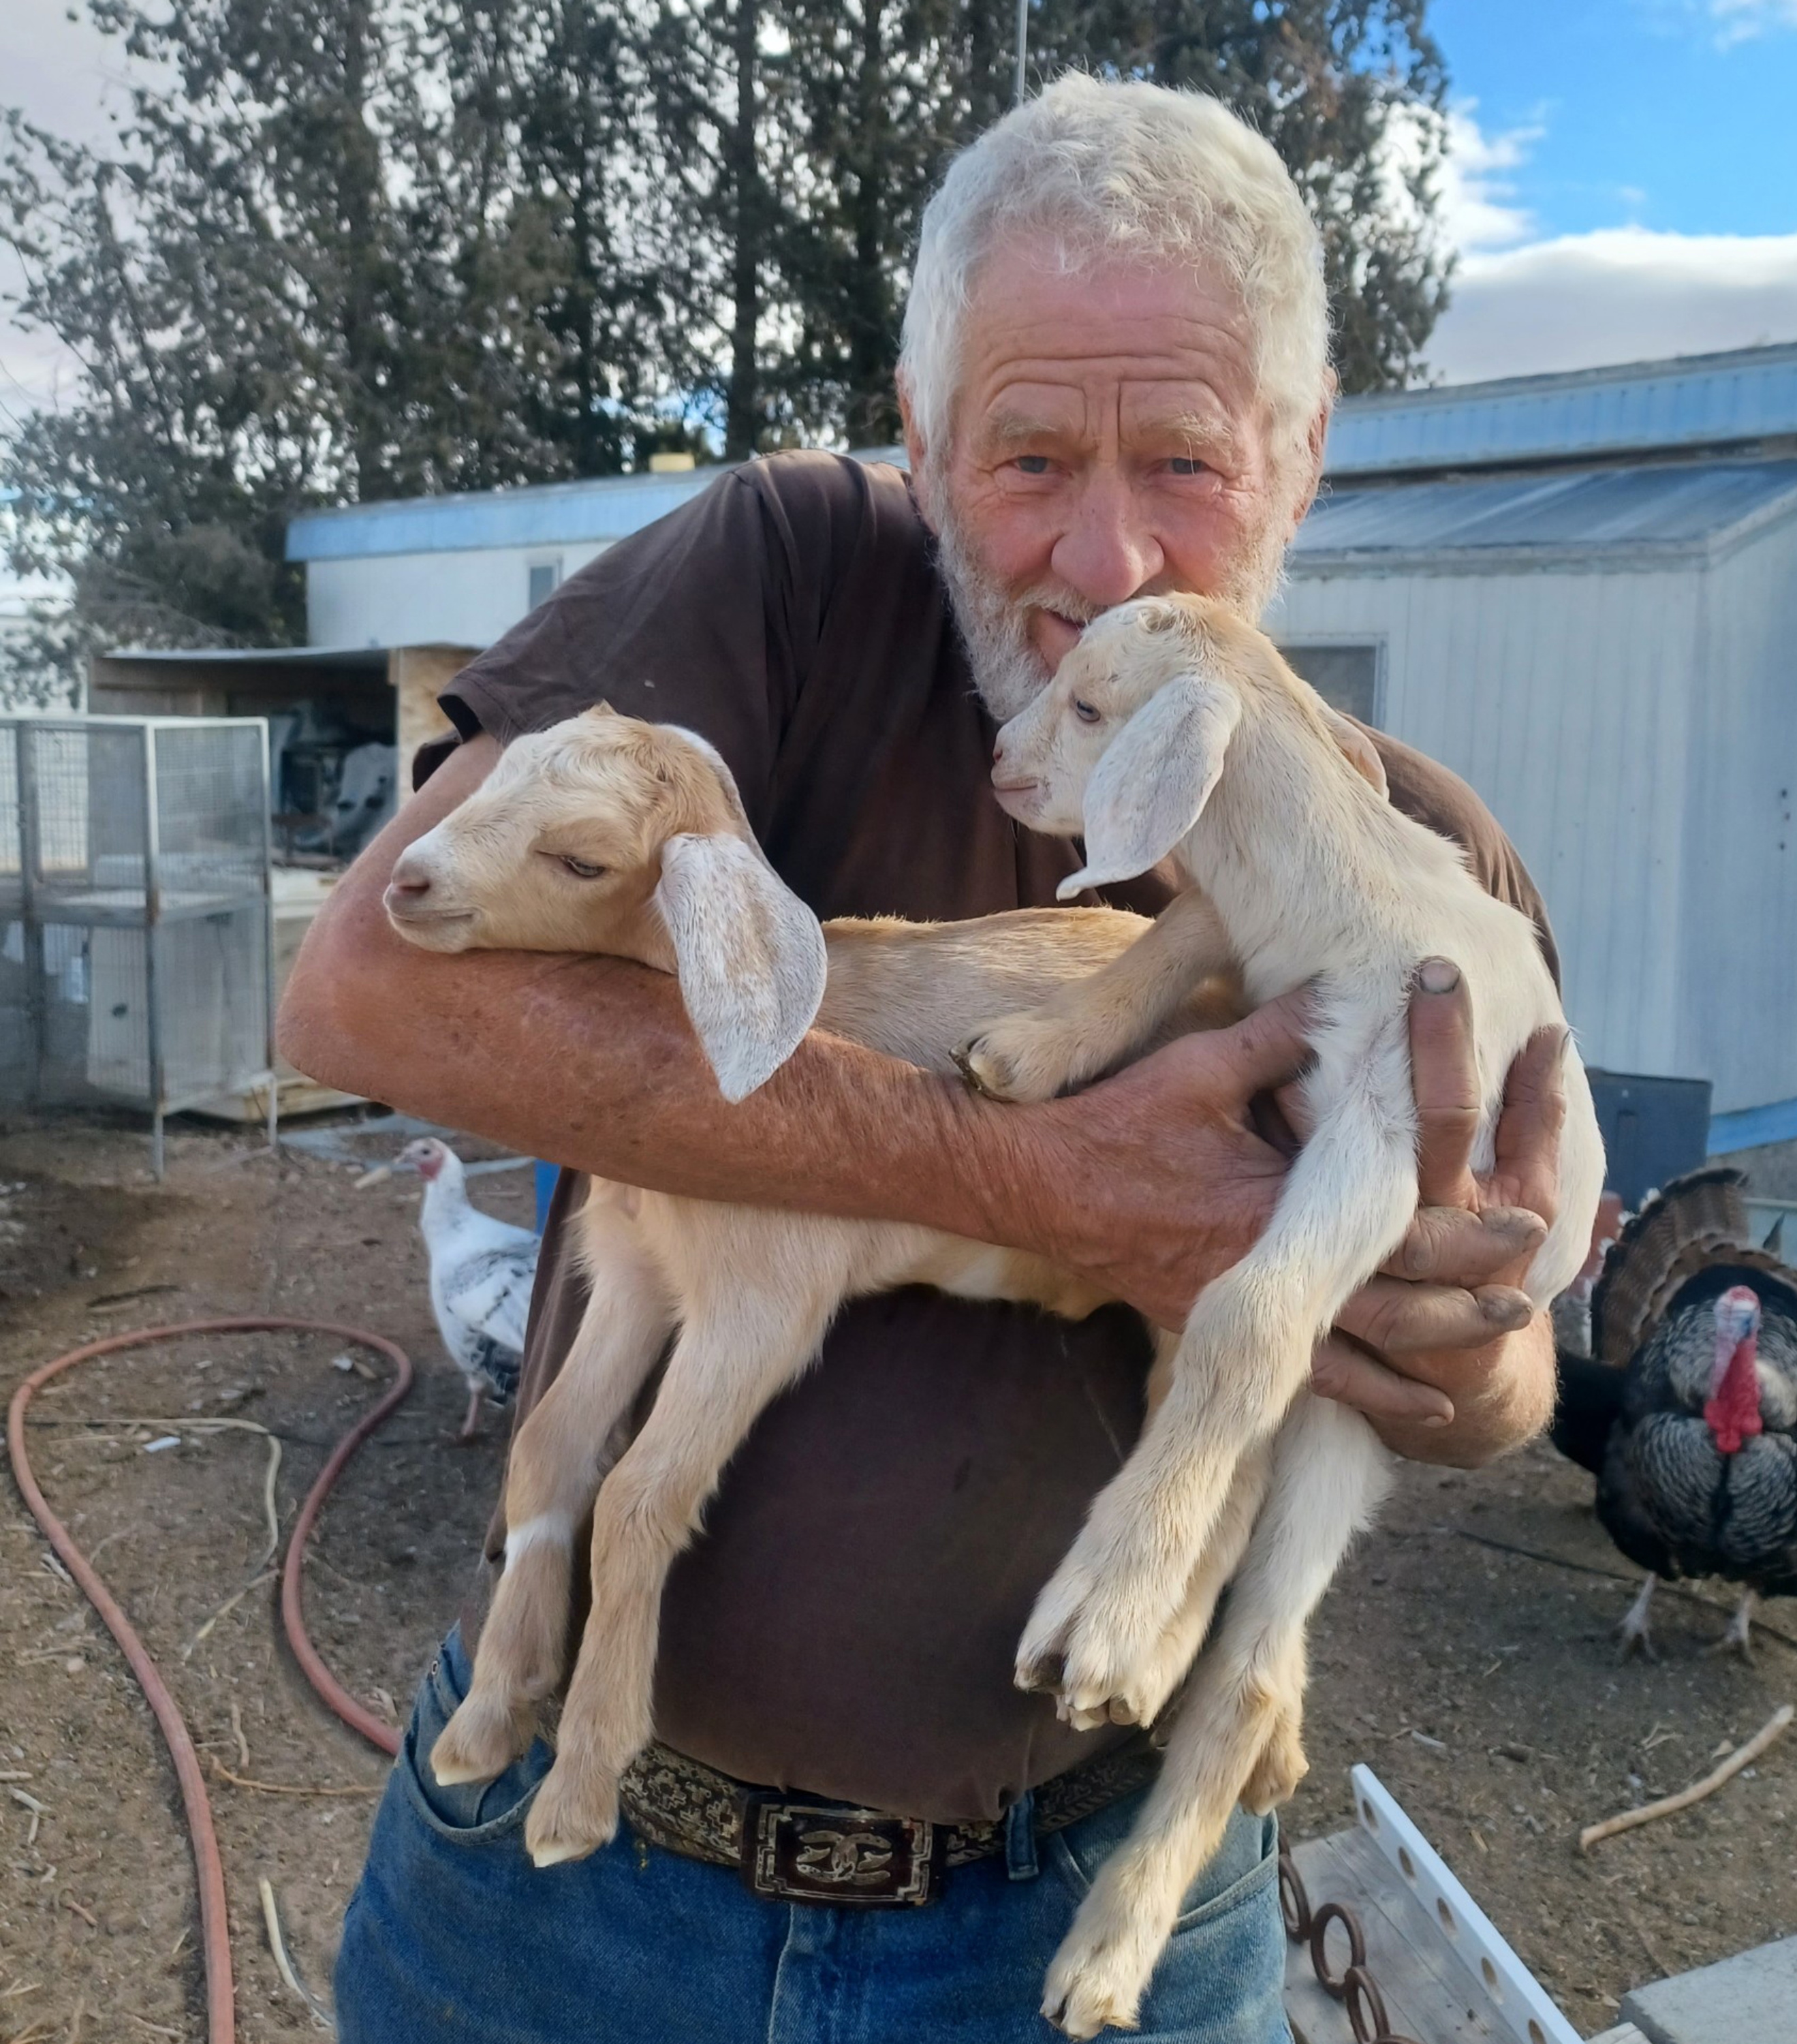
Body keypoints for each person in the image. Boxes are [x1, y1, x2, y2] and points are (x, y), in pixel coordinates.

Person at [283, 73, 1572, 2044]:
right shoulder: (787, 580)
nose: (1108, 562)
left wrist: (1459, 1355)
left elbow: (1509, 1392)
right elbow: (366, 995)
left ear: (1305, 459)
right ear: (918, 435)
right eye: (1031, 453)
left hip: (1088, 1920)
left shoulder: (1424, 862)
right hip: (587, 1915)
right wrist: (1042, 1182)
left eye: (1193, 467)